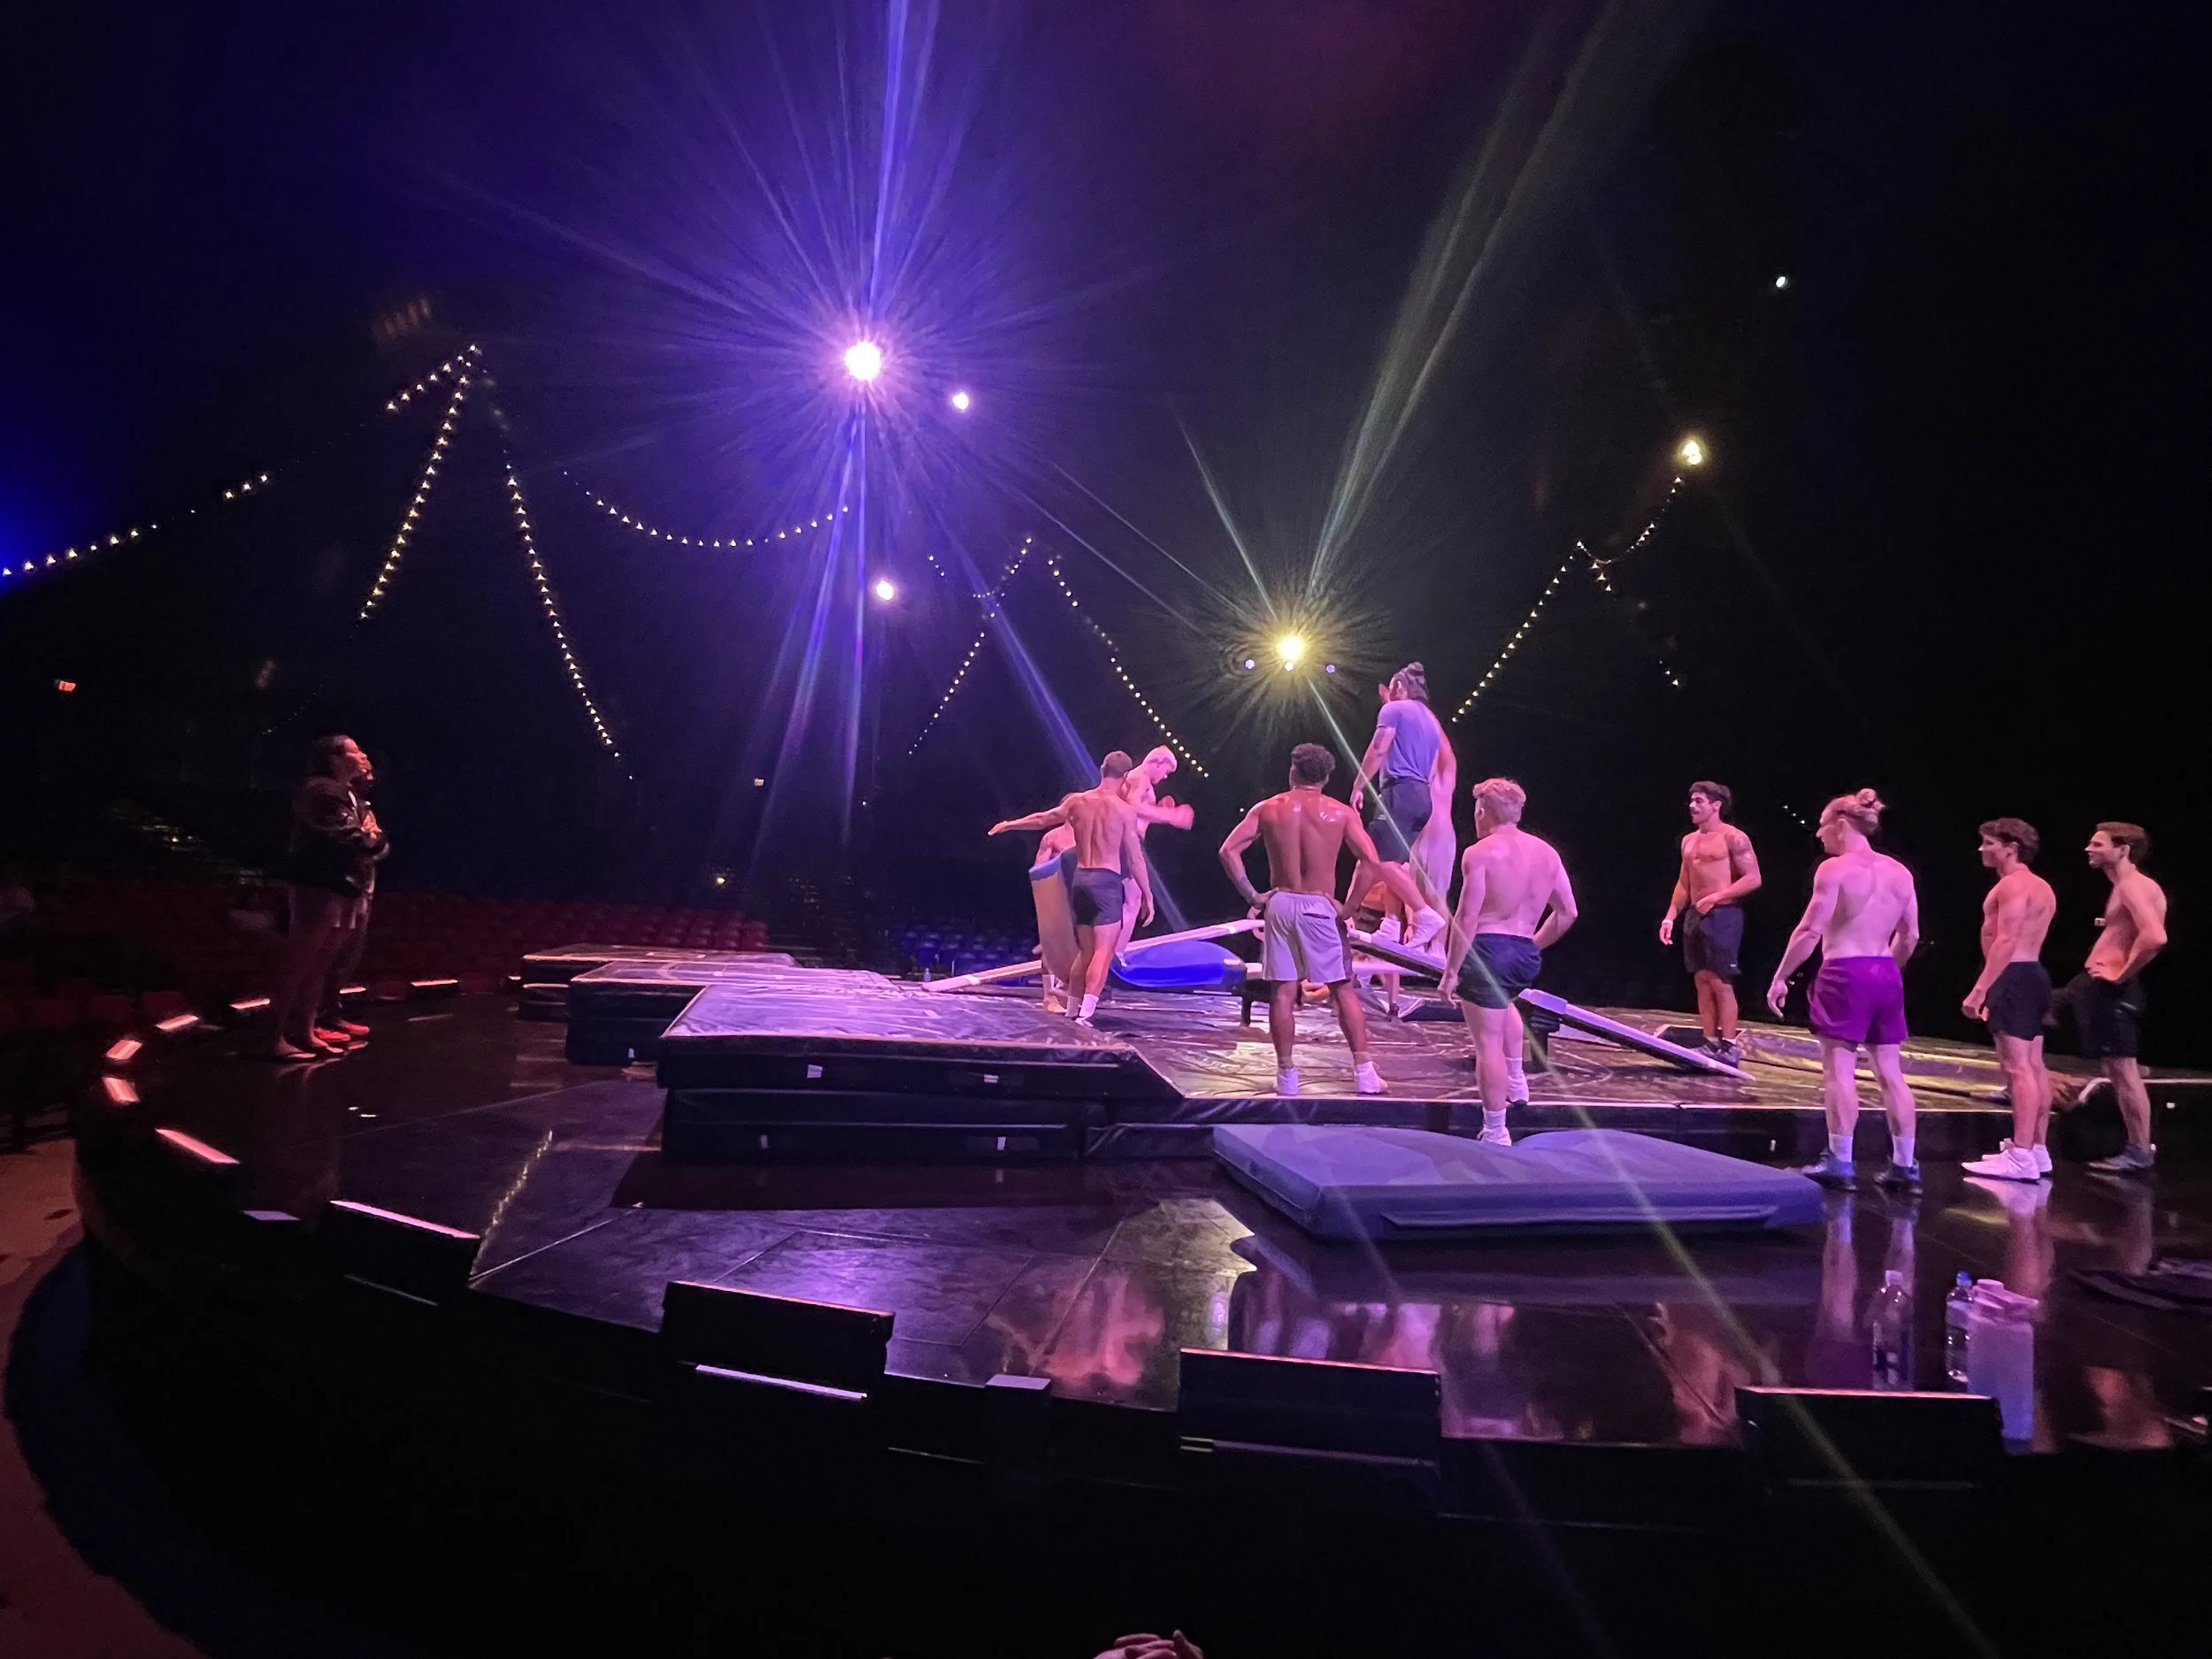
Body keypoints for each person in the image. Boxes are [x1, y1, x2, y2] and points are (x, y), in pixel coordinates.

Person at [1765, 789, 1921, 1190]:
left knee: (1839, 1071)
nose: (1818, 835)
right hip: (1885, 972)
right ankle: (1905, 1166)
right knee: (1891, 1072)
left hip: (1845, 972)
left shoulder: (1833, 870)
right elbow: (1911, 936)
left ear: (1839, 823)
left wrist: (1781, 975)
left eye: (1821, 825)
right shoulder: (1900, 872)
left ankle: (1840, 1160)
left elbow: (1809, 930)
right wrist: (1886, 970)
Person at [1217, 743, 1386, 1097]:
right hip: (1318, 905)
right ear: (1325, 778)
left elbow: (1228, 850)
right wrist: (1349, 908)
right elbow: (1371, 861)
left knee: (1283, 990)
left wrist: (1253, 895)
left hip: (1279, 903)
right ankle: (1365, 1073)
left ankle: (1286, 1077)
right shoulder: (1340, 813)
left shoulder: (1269, 809)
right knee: (1342, 988)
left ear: (1293, 772)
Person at [1440, 778, 1578, 1145]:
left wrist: (1451, 970)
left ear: (1482, 811)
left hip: (1487, 947)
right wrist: (1532, 945)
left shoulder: (1480, 852)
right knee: (1505, 1005)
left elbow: (1467, 916)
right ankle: (1518, 1081)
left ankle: (1496, 1130)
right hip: (1522, 953)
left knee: (1487, 1044)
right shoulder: (1547, 853)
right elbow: (1568, 913)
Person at [989, 752, 1155, 1025]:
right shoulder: (1125, 811)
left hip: (1081, 880)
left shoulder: (1076, 801)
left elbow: (1043, 819)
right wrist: (1148, 895)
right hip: (1106, 882)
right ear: (1125, 778)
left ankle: (1071, 1009)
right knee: (1104, 952)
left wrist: (1009, 825)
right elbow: (1136, 858)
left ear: (1102, 770)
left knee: (1086, 952)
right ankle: (1086, 1014)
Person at [270, 735, 387, 1060]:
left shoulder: (343, 793)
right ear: (335, 759)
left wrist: (372, 840)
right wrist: (374, 840)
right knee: (299, 963)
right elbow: (352, 838)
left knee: (320, 964)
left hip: (339, 885)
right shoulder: (321, 790)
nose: (363, 754)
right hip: (317, 884)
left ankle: (305, 1031)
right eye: (355, 750)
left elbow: (368, 839)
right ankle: (273, 1037)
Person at [2070, 822, 2169, 1176]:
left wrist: (2120, 973)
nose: (2088, 849)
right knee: (2118, 1070)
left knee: (2124, 1072)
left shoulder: (2131, 885)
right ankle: (2137, 1147)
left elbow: (2155, 936)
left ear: (2123, 849)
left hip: (2113, 990)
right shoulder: (2130, 886)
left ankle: (2140, 1150)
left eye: (2097, 844)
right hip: (2104, 988)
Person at [1961, 818, 2057, 1182]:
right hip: (2033, 974)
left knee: (2017, 1069)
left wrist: (1980, 989)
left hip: (2013, 976)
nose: (1982, 849)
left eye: (1988, 843)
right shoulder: (2043, 887)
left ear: (2009, 846)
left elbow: (2006, 939)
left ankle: (2019, 1156)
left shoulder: (2013, 886)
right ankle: (2035, 1150)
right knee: (2033, 1066)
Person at [1656, 780, 1762, 1065]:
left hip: (1724, 915)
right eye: (1692, 800)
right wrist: (1670, 916)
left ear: (1716, 805)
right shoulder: (1688, 841)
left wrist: (1718, 896)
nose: (1692, 805)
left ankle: (1729, 1046)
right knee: (1701, 980)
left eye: (1699, 800)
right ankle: (1710, 1041)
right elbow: (1683, 883)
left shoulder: (1734, 837)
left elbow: (1753, 878)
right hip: (1695, 915)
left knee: (1720, 981)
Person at [1348, 664, 1450, 950]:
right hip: (1421, 797)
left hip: (1400, 792)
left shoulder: (1393, 710)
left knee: (1375, 858)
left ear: (1399, 687)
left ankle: (1424, 914)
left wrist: (1358, 786)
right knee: (1394, 862)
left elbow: (1378, 748)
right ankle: (1391, 924)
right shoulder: (1430, 720)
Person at [313, 744, 388, 1049]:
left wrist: (374, 840)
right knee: (324, 958)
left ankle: (330, 1012)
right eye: (363, 765)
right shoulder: (326, 794)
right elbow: (361, 840)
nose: (368, 772)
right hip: (339, 886)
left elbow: (381, 846)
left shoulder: (363, 804)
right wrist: (370, 839)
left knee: (346, 959)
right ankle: (311, 1020)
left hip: (361, 887)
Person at [1118, 743, 1195, 930]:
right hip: (1129, 840)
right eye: (1166, 771)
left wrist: (1161, 810)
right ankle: (1114, 952)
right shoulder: (1142, 778)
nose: (1165, 777)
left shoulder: (1137, 778)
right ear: (1159, 762)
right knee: (1133, 901)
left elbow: (1139, 811)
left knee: (1131, 899)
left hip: (1129, 839)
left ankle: (1112, 950)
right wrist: (1171, 816)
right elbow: (1133, 806)